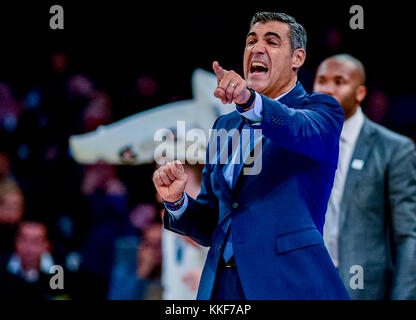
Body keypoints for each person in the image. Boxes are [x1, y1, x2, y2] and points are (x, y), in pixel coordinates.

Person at [153, 12, 350, 300]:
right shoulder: (225, 126)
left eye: (272, 42)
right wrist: (177, 202)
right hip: (220, 286)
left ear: (297, 58)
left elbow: (296, 129)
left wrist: (249, 101)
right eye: (251, 41)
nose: (257, 48)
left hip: (287, 284)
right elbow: (212, 221)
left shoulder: (321, 110)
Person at [314, 54, 416, 299]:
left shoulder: (394, 148)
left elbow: (408, 235)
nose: (327, 88)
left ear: (360, 93)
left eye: (339, 81)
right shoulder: (302, 143)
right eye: (321, 80)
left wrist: (404, 296)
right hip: (308, 284)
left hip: (364, 289)